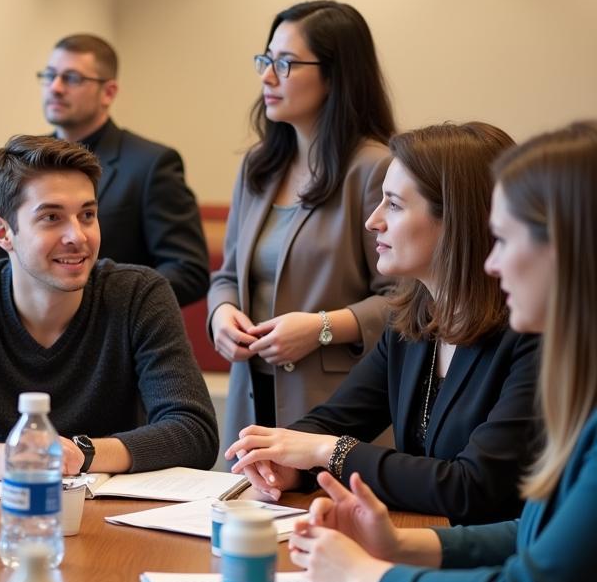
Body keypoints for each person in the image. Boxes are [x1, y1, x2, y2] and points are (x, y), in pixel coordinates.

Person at [288, 121, 597, 582]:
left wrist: (368, 579)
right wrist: (404, 546)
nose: (492, 264)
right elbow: (530, 532)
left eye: (502, 240)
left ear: (566, 250)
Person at [225, 123, 539, 525]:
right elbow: (332, 420)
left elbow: (472, 488)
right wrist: (286, 462)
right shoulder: (412, 320)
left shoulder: (530, 335)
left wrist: (326, 452)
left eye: (393, 204)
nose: (374, 221)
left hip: (497, 569)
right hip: (422, 543)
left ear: (456, 219)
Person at [0, 134, 219, 478]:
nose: (78, 236)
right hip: (0, 511)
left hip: (115, 512)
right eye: (51, 217)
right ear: (3, 233)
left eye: (87, 215)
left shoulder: (140, 294)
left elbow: (194, 431)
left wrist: (80, 454)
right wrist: (9, 458)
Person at [207, 0, 395, 458]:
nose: (267, 77)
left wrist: (322, 328)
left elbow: (407, 299)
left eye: (286, 64)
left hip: (337, 408)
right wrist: (221, 315)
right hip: (252, 396)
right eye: (266, 61)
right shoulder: (259, 166)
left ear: (335, 75)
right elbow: (228, 275)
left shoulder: (374, 168)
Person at [0, 33, 209, 306]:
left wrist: (93, 306)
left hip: (119, 335)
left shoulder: (152, 164)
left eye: (72, 78)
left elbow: (188, 271)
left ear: (108, 92)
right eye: (50, 76)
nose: (56, 87)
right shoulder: (25, 163)